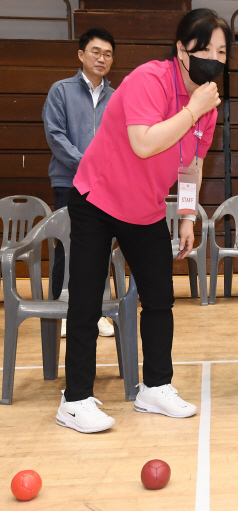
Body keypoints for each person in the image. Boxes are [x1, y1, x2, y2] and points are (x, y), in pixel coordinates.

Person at [55, 8, 230, 433]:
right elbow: (144, 142)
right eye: (204, 47)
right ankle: (74, 399)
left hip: (145, 207)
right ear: (181, 50)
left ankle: (155, 387)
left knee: (159, 296)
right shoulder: (148, 80)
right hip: (97, 196)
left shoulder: (208, 108)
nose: (214, 58)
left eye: (222, 51)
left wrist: (187, 215)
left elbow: (191, 167)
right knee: (86, 298)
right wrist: (192, 109)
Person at [42, 27, 117, 338]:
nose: (102, 58)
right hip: (69, 183)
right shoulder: (61, 91)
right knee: (66, 247)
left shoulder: (117, 97)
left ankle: (96, 311)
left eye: (108, 54)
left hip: (106, 187)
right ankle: (63, 309)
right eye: (96, 52)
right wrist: (87, 165)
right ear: (81, 55)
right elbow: (55, 136)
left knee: (100, 249)